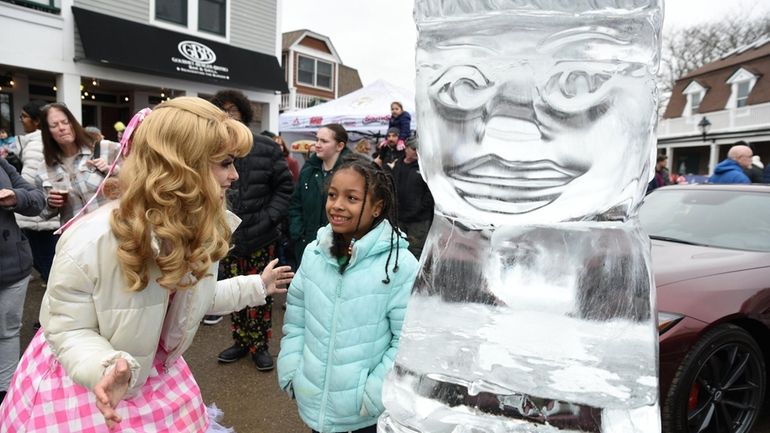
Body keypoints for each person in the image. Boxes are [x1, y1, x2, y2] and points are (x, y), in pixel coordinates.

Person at [0, 97, 293, 431]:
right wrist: (105, 366)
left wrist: (255, 286)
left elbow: (193, 300)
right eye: (225, 163)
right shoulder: (92, 238)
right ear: (180, 165)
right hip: (89, 382)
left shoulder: (194, 229)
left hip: (153, 375)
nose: (235, 175)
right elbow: (66, 327)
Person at [277, 157, 419, 433]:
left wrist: (372, 396)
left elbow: (407, 343)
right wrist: (292, 370)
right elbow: (296, 317)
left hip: (365, 416)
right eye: (332, 195)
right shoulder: (314, 253)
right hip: (313, 402)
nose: (337, 205)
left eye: (352, 198)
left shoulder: (399, 265)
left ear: (377, 207)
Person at [207, 90, 294, 373]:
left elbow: (284, 188)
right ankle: (241, 342)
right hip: (227, 237)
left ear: (244, 113)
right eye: (222, 110)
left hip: (261, 235)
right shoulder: (211, 148)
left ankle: (260, 346)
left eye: (233, 110)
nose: (228, 115)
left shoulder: (266, 147)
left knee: (261, 291)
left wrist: (269, 218)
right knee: (233, 291)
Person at [0, 158, 46, 405]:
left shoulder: (2, 164)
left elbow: (37, 200)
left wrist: (16, 197)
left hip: (11, 267)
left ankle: (6, 396)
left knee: (7, 332)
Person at [36, 103, 121, 225]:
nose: (61, 128)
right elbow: (43, 213)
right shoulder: (44, 168)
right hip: (77, 238)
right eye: (54, 125)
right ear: (47, 132)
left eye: (65, 122)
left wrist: (113, 170)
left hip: (111, 230)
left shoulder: (106, 148)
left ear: (73, 123)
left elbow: (135, 178)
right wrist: (50, 204)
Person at [288, 123, 351, 267]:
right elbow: (296, 204)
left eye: (324, 141)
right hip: (306, 244)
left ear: (340, 146)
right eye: (317, 140)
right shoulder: (309, 169)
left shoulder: (351, 172)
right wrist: (297, 233)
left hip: (337, 246)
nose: (317, 145)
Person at [14, 101, 60, 291]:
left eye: (24, 116)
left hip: (36, 216)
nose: (22, 121)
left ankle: (53, 314)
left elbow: (27, 182)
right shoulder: (43, 141)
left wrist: (16, 199)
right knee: (49, 263)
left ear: (36, 121)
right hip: (45, 214)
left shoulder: (34, 144)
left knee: (46, 263)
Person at [390, 136, 434, 259]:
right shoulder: (398, 164)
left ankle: (413, 277)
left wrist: (419, 210)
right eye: (414, 149)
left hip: (418, 220)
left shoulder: (425, 168)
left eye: (420, 150)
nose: (417, 152)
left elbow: (430, 195)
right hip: (399, 217)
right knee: (397, 248)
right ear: (406, 149)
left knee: (414, 251)